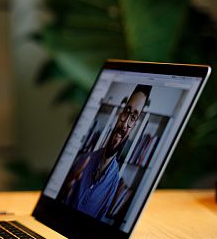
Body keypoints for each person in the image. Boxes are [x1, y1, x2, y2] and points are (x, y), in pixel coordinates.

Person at [60, 85, 151, 219]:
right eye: (126, 111)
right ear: (120, 114)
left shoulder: (114, 182)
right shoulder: (83, 159)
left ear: (134, 127)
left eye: (133, 118)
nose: (125, 124)